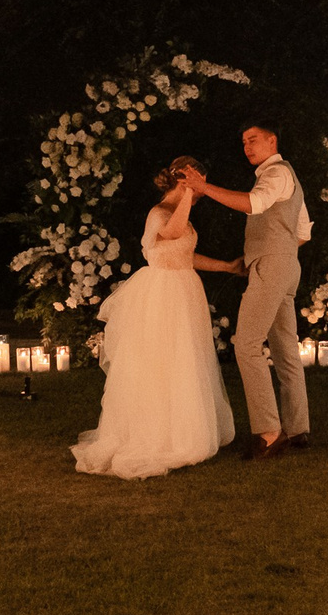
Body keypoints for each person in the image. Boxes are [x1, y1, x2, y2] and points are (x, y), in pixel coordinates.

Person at [73, 157, 245, 478]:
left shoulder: (181, 214)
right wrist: (188, 193)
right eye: (198, 184)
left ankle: (183, 431)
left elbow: (184, 255)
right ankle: (156, 435)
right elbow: (171, 233)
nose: (203, 191)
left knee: (184, 361)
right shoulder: (160, 213)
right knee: (160, 363)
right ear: (184, 181)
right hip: (163, 295)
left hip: (184, 292)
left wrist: (226, 266)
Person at [190, 122, 312, 460]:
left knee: (246, 344)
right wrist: (273, 251)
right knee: (285, 350)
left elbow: (254, 204)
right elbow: (302, 232)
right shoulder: (288, 176)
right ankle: (297, 428)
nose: (247, 146)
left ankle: (270, 433)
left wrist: (203, 187)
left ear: (272, 140)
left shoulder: (276, 173)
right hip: (286, 266)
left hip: (274, 268)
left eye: (253, 140)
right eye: (243, 142)